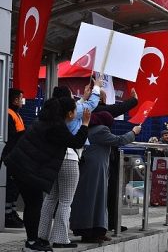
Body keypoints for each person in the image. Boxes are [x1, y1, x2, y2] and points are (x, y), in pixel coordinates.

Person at [4, 97, 90, 252]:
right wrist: (85, 123)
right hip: (26, 168)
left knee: (35, 204)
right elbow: (77, 142)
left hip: (21, 165)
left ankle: (36, 239)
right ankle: (32, 243)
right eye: (74, 111)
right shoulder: (57, 127)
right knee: (34, 205)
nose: (76, 113)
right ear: (70, 113)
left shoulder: (47, 121)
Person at [37, 81, 101, 248]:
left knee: (50, 199)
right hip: (69, 158)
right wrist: (97, 87)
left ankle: (41, 236)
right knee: (66, 201)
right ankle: (60, 238)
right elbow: (92, 105)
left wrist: (82, 99)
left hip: (52, 159)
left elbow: (77, 108)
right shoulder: (72, 112)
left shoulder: (50, 113)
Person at [70, 111, 141, 243]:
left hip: (91, 169)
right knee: (96, 200)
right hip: (96, 171)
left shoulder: (91, 129)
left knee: (92, 200)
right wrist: (134, 132)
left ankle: (94, 230)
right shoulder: (101, 130)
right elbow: (119, 140)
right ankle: (93, 231)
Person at [93, 88, 138, 232]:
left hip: (100, 160)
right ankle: (104, 224)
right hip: (100, 162)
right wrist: (134, 100)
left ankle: (108, 223)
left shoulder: (90, 114)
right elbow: (116, 109)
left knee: (108, 193)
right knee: (107, 192)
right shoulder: (98, 121)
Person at [1, 88, 25, 228]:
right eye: (21, 98)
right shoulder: (9, 114)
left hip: (17, 156)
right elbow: (11, 137)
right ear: (15, 100)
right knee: (10, 187)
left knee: (15, 187)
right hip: (12, 156)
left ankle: (12, 212)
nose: (23, 101)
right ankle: (7, 214)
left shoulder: (16, 114)